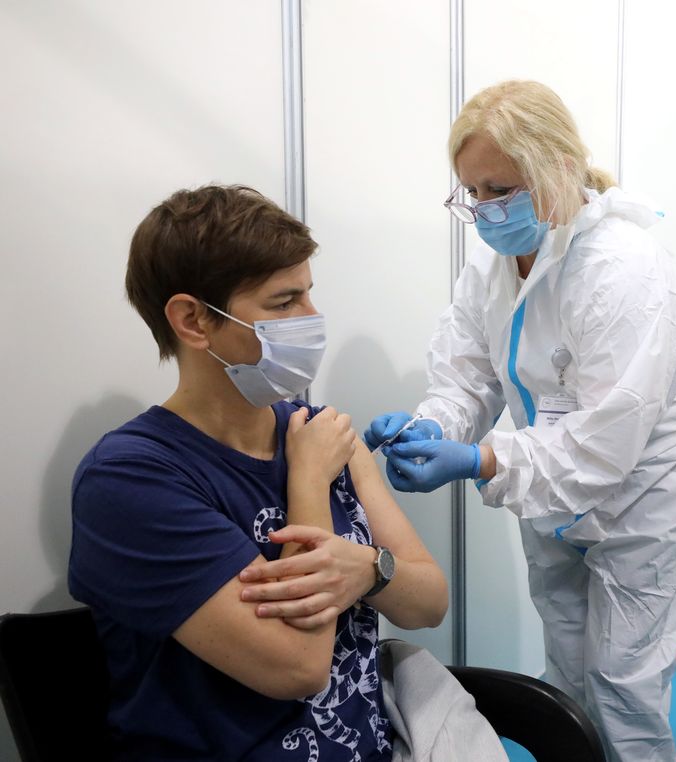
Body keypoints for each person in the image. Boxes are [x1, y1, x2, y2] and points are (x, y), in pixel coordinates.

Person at [365, 80, 676, 762]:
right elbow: (468, 372)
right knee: (566, 651)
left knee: (623, 677)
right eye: (473, 192)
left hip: (647, 486)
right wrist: (435, 426)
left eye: (500, 189)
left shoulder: (622, 268)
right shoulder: (493, 263)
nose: (485, 209)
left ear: (556, 168)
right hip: (548, 480)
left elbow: (607, 441)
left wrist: (483, 459)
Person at [68, 184, 449, 761]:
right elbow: (298, 668)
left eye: (309, 295)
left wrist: (371, 569)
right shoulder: (128, 480)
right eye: (284, 303)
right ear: (193, 320)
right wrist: (308, 483)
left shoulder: (320, 433)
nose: (313, 320)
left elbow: (429, 603)